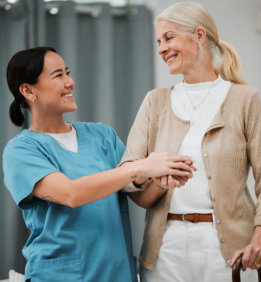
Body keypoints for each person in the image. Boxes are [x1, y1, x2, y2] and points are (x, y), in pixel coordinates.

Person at [2, 47, 195, 282]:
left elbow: (140, 197)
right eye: (58, 75)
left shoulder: (103, 136)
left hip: (116, 273)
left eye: (68, 73)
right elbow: (70, 193)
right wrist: (140, 167)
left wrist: (165, 178)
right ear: (28, 90)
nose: (70, 82)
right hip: (59, 276)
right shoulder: (21, 150)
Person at [120, 2, 261, 282]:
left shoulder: (245, 99)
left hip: (230, 251)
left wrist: (260, 237)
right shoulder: (154, 102)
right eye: (159, 41)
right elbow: (129, 174)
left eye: (169, 38)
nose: (161, 49)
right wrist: (158, 180)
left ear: (199, 35)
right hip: (165, 249)